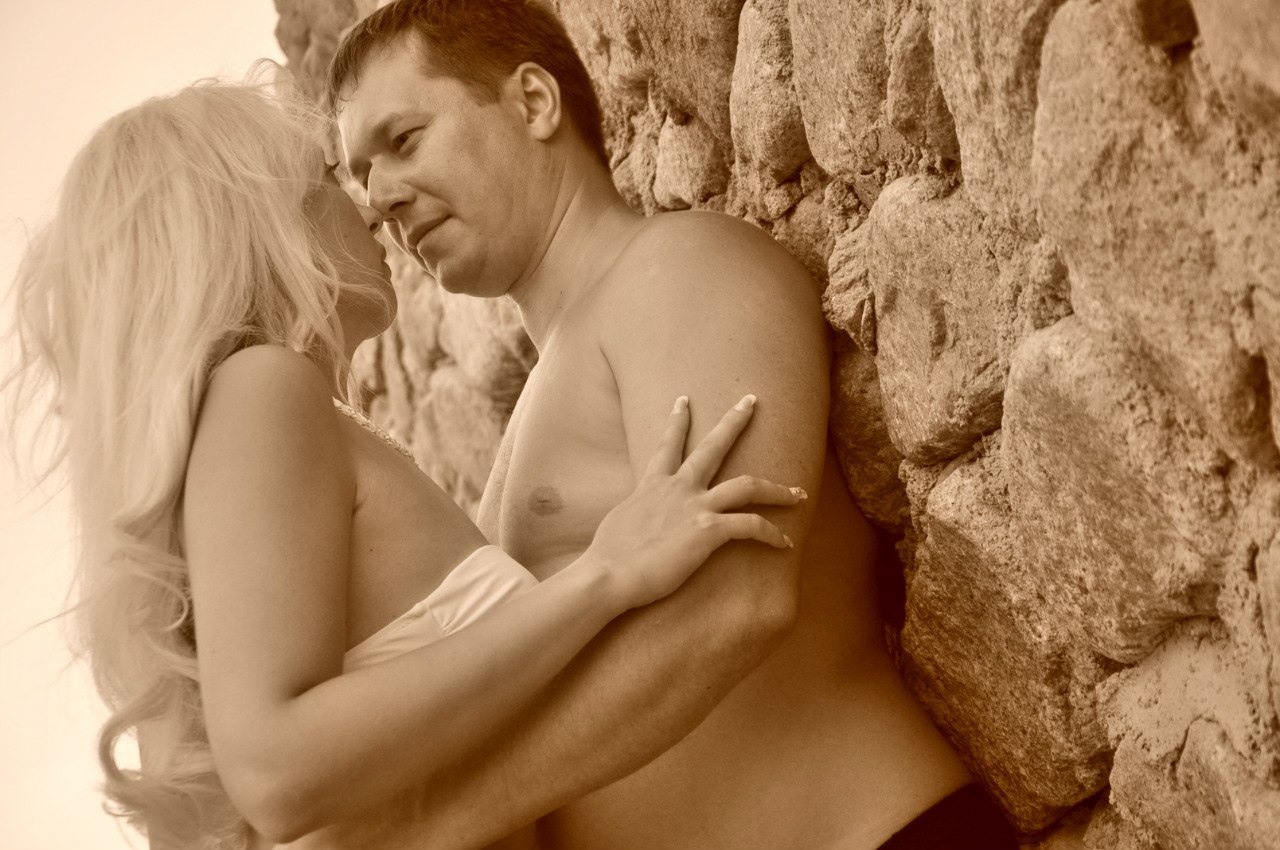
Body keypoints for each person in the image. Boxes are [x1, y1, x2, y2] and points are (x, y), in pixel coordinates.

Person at [9, 78, 810, 849]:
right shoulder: (263, 386)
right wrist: (602, 576)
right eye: (326, 178)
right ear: (254, 224)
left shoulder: (240, 458)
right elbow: (273, 771)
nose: (369, 205)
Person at [328, 1, 1019, 848]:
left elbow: (737, 599)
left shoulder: (677, 268)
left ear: (535, 102)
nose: (381, 198)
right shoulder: (546, 393)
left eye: (403, 140)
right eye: (362, 174)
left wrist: (449, 821)